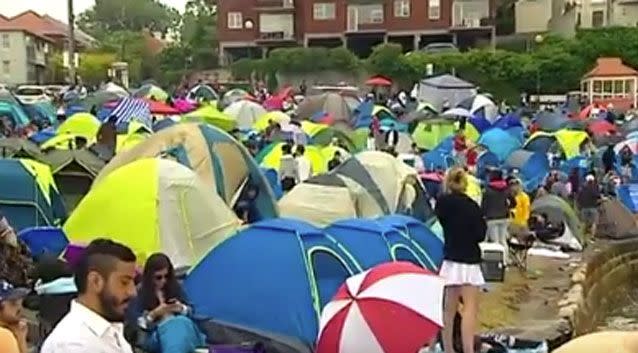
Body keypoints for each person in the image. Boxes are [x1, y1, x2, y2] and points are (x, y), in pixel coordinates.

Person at [41, 239, 138, 353]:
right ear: (95, 281)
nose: (132, 292)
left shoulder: (109, 329)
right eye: (124, 282)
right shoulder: (73, 345)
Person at [435, 167, 486, 353]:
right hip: (470, 260)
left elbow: (441, 221)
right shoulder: (473, 206)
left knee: (448, 310)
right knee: (470, 309)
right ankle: (468, 350)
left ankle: (448, 349)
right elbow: (481, 234)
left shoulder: (442, 204)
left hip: (451, 259)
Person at [128, 253, 204, 353]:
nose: (163, 281)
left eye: (166, 276)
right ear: (150, 276)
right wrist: (154, 314)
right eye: (158, 277)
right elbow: (135, 327)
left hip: (183, 328)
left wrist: (180, 308)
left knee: (181, 322)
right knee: (172, 329)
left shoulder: (175, 287)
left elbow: (191, 311)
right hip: (156, 334)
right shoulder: (139, 293)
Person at [481, 170, 513, 259]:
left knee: (495, 242)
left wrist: (483, 215)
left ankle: (498, 261)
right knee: (503, 241)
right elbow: (514, 202)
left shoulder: (487, 190)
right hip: (505, 217)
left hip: (492, 218)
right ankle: (505, 260)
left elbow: (484, 205)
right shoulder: (506, 189)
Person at [0, 280, 29, 353]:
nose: (19, 308)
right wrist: (21, 341)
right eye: (13, 303)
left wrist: (21, 338)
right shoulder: (4, 336)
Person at [577, 174, 601, 239]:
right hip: (593, 207)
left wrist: (579, 206)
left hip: (584, 208)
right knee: (594, 223)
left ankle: (581, 237)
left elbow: (578, 198)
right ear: (593, 181)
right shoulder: (594, 188)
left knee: (583, 223)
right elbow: (598, 196)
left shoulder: (582, 188)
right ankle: (592, 237)